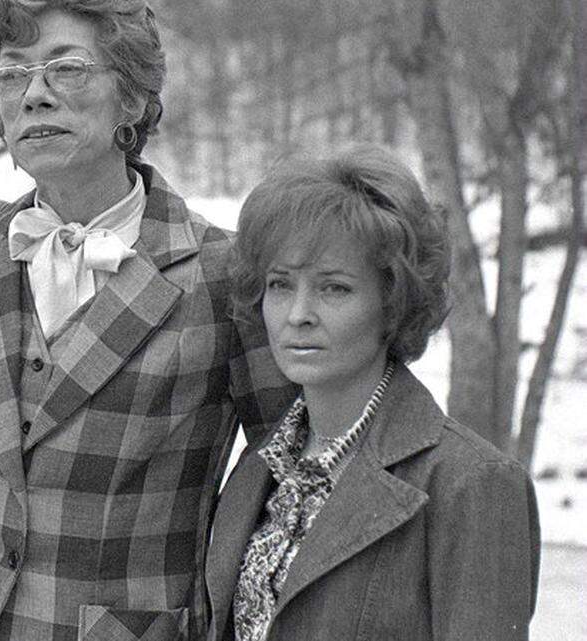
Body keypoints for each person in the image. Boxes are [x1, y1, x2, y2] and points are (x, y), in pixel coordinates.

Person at [0, 1, 296, 639]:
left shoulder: (222, 273)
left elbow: (286, 471)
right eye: (12, 75)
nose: (36, 96)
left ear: (131, 100)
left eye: (67, 70)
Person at [203, 146, 541, 641]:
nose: (298, 313)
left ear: (393, 301)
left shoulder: (471, 483)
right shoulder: (259, 466)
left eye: (334, 288)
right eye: (280, 285)